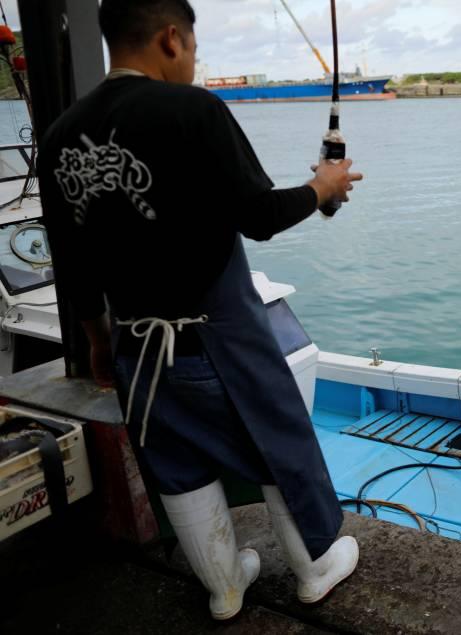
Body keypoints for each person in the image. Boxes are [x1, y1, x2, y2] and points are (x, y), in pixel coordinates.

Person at [36, 0, 362, 620]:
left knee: (177, 461)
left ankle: (224, 587)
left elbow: (72, 259)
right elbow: (259, 215)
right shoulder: (194, 110)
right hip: (222, 338)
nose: (192, 60)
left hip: (136, 344)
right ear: (169, 40)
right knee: (276, 444)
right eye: (191, 46)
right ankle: (315, 569)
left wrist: (100, 341)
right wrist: (324, 186)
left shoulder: (58, 137)